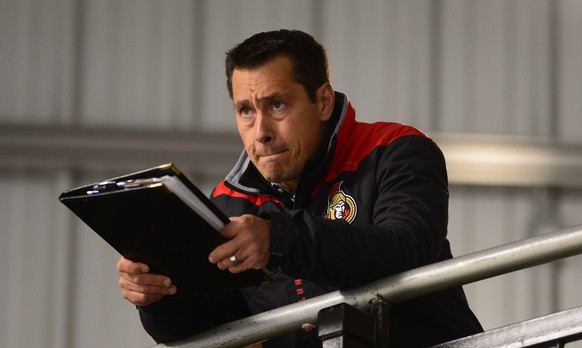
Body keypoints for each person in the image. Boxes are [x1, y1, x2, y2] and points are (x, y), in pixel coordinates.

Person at [117, 29, 483, 347]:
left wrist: (278, 239)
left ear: (322, 101)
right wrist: (156, 298)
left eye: (277, 104)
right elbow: (210, 324)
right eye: (245, 110)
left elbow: (407, 248)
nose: (261, 131)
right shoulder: (228, 205)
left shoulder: (394, 149)